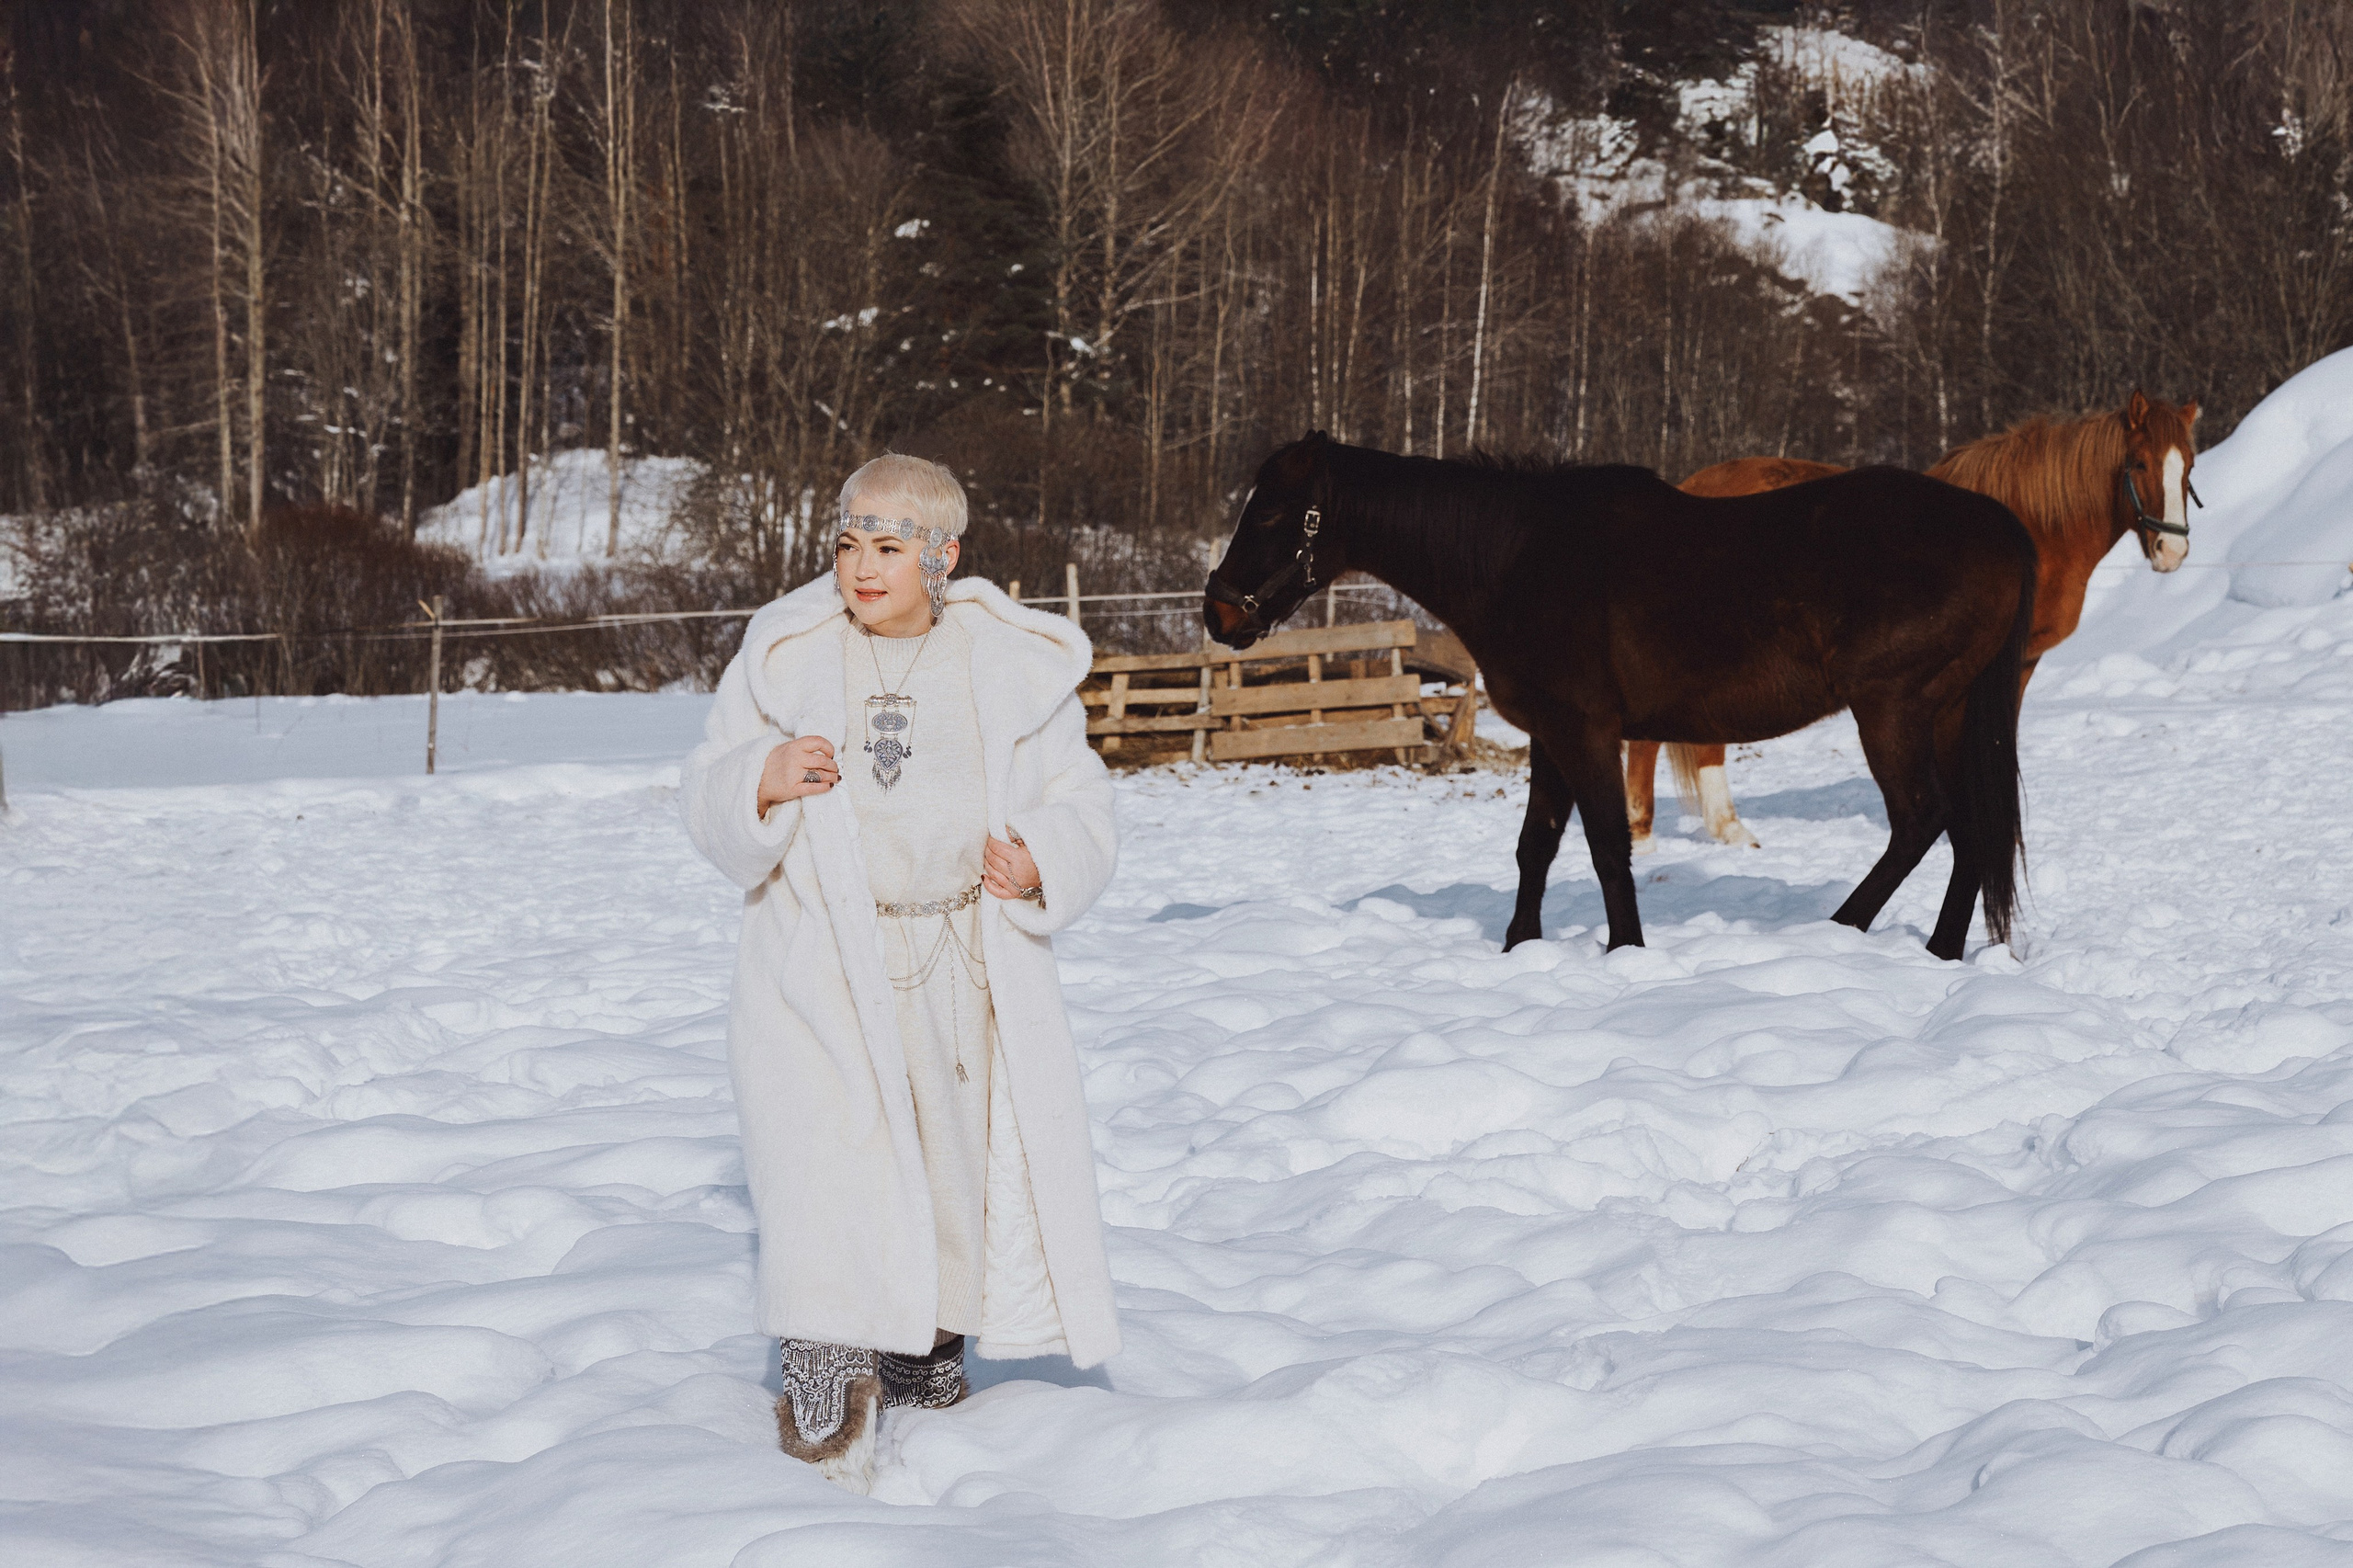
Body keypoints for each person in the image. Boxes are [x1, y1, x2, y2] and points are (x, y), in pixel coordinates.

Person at [680, 453, 1120, 1493]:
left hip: (957, 955)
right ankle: (825, 1358)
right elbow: (703, 787)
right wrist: (761, 779)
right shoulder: (785, 654)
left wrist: (1044, 854)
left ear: (942, 555)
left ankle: (927, 1347)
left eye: (887, 547)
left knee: (946, 1160)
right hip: (822, 954)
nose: (861, 567)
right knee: (823, 1156)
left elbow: (1082, 797)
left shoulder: (1006, 661)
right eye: (847, 543)